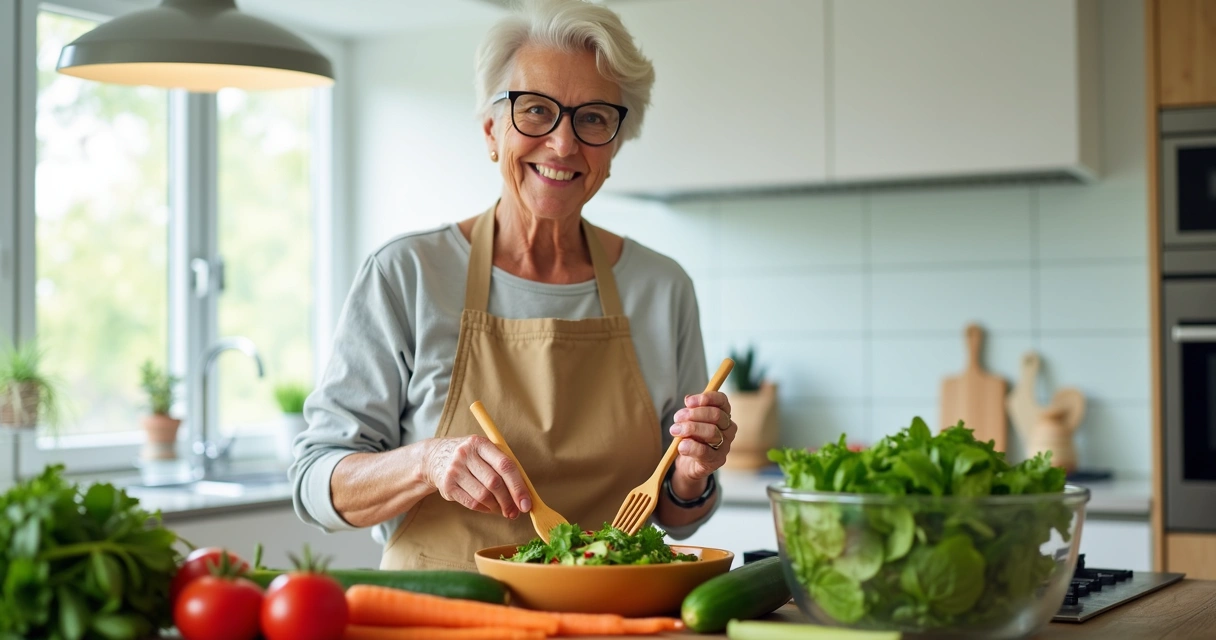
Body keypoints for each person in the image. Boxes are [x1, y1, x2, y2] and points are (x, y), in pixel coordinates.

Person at [290, 0, 737, 571]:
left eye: (594, 118)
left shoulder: (662, 288)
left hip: (608, 625)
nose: (563, 144)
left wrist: (693, 475)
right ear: (491, 131)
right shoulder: (407, 274)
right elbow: (314, 481)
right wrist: (425, 464)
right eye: (535, 110)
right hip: (441, 621)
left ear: (616, 147)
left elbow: (679, 514)